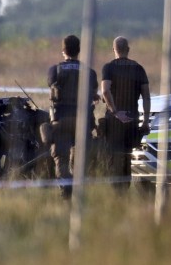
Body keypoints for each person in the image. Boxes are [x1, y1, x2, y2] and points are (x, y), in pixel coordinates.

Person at [46, 34, 99, 198]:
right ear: (79, 51)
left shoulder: (54, 70)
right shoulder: (90, 73)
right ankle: (77, 191)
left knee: (61, 159)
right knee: (80, 160)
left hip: (61, 121)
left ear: (63, 51)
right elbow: (93, 91)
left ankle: (66, 191)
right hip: (83, 122)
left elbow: (51, 85)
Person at [100, 36, 150, 189]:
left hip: (114, 122)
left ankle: (115, 194)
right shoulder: (138, 68)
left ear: (113, 49)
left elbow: (105, 90)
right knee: (127, 159)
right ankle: (125, 192)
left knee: (113, 159)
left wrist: (115, 111)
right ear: (128, 50)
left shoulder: (108, 67)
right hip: (132, 120)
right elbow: (146, 96)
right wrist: (146, 121)